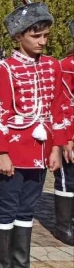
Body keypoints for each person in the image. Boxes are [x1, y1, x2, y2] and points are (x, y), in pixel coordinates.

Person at [0, 0, 66, 268]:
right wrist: (1, 152)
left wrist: (56, 146)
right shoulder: (4, 68)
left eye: (45, 35)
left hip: (41, 149)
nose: (42, 41)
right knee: (6, 208)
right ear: (19, 36)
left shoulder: (52, 66)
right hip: (13, 149)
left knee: (27, 209)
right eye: (36, 36)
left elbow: (56, 109)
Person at [54, 21, 74, 245]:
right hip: (71, 129)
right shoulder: (67, 65)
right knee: (68, 179)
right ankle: (63, 225)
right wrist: (67, 136)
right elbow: (63, 102)